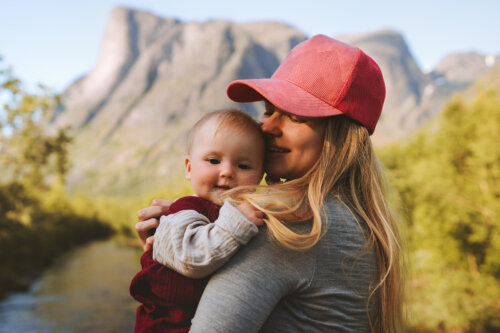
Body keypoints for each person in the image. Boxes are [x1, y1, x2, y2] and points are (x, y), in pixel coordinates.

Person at [136, 34, 404, 332]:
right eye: (268, 109)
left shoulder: (291, 223)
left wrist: (171, 246)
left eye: (294, 116)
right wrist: (182, 236)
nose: (267, 126)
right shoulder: (358, 221)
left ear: (340, 136)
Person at [130, 108, 266, 332]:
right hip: (164, 326)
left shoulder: (239, 213)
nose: (227, 172)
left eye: (243, 166)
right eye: (213, 160)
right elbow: (192, 256)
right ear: (189, 168)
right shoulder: (182, 211)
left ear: (260, 177)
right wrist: (238, 223)